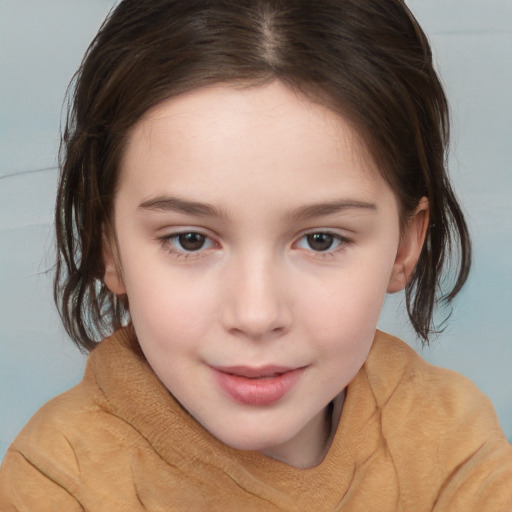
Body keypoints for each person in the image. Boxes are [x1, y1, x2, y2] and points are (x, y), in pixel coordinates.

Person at [0, 0, 511, 509]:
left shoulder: (449, 441)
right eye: (190, 240)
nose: (256, 314)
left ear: (405, 244)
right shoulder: (57, 479)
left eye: (321, 240)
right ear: (108, 245)